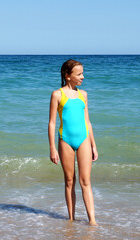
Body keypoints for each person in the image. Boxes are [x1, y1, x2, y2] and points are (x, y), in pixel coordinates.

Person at [48, 59, 98, 226]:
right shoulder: (57, 94)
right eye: (79, 74)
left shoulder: (83, 95)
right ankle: (71, 219)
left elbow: (88, 121)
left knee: (86, 181)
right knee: (70, 181)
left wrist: (93, 145)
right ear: (67, 76)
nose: (82, 77)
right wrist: (52, 148)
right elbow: (52, 123)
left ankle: (92, 221)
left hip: (83, 139)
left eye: (83, 73)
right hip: (65, 141)